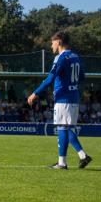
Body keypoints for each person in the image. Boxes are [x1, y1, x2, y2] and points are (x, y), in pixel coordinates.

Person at [27, 31, 92, 169]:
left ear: (59, 41)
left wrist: (35, 93)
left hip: (63, 98)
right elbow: (82, 77)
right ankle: (82, 156)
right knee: (67, 128)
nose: (51, 45)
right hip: (74, 97)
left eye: (52, 42)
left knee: (62, 127)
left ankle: (62, 163)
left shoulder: (60, 58)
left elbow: (50, 78)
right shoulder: (76, 56)